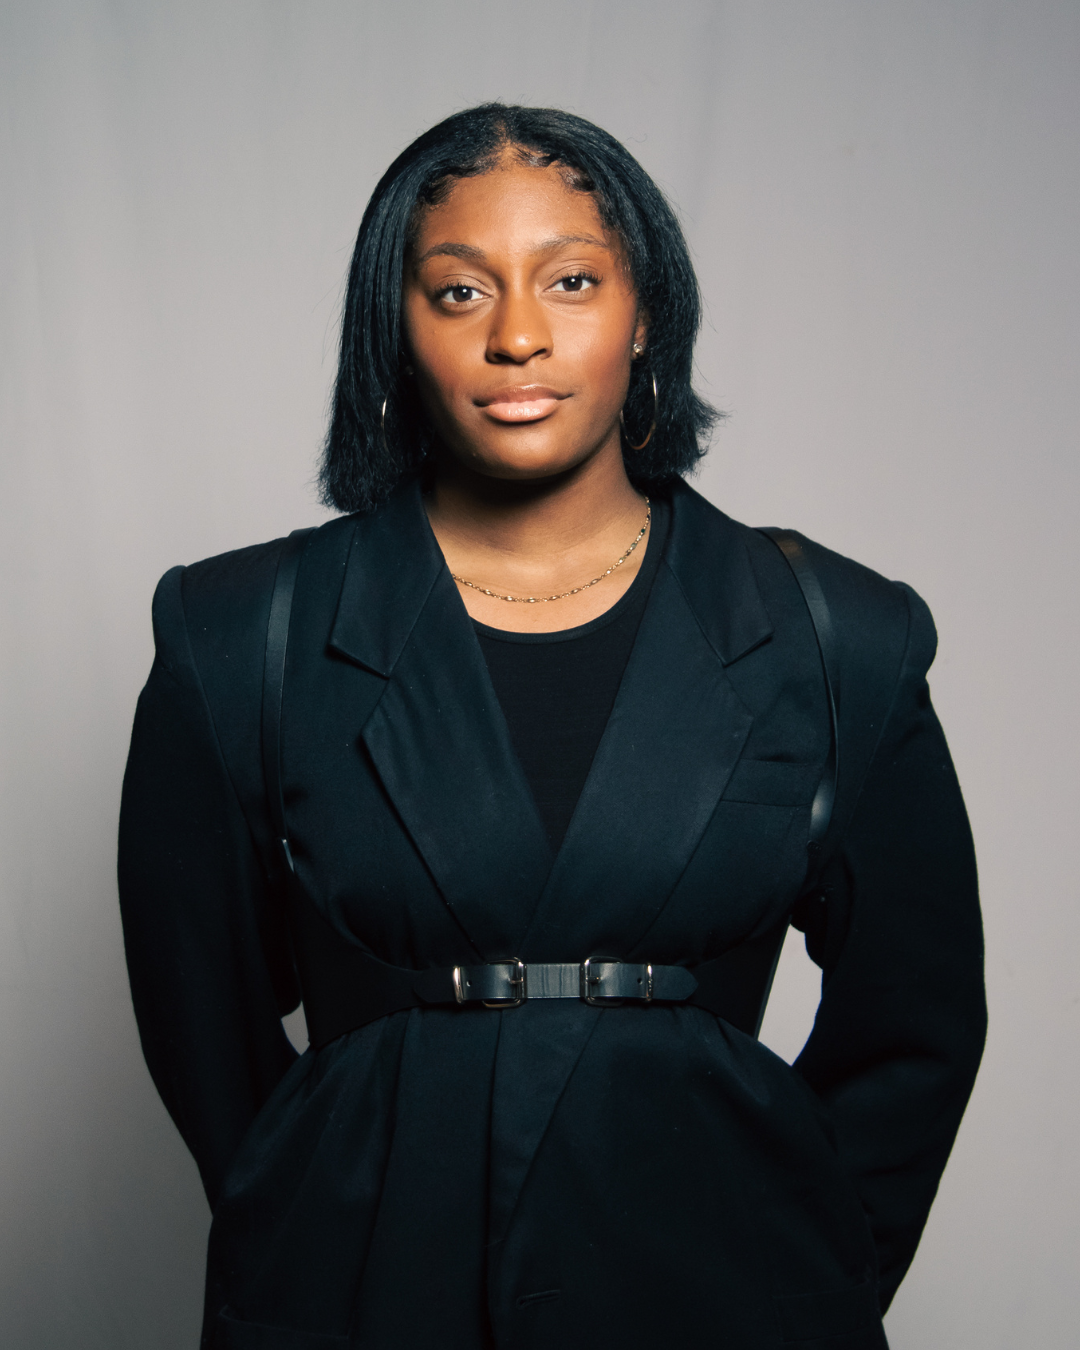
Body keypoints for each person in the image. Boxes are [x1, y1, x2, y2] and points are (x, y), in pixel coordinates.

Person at [118, 104, 986, 1350]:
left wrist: (803, 1255)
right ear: (395, 331)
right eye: (458, 291)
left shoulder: (836, 633)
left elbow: (919, 1018)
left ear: (647, 316)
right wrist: (319, 1220)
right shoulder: (238, 631)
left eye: (572, 280)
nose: (518, 336)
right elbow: (200, 1018)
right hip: (362, 1297)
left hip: (726, 1298)